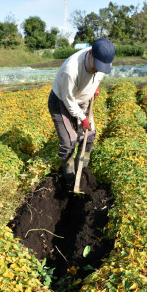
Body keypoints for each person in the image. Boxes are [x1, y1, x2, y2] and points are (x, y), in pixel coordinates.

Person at [47, 37, 116, 184]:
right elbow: (68, 100)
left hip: (83, 100)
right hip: (62, 101)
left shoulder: (103, 59)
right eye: (96, 66)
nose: (97, 69)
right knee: (68, 142)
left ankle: (83, 170)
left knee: (90, 136)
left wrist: (95, 86)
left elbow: (98, 75)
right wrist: (82, 118)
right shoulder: (70, 70)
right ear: (90, 53)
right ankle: (70, 177)